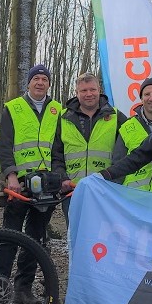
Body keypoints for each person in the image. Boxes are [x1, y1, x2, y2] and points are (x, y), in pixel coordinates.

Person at [0, 64, 63, 304]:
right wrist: (11, 175)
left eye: (44, 79)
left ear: (49, 84)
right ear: (29, 83)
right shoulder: (13, 108)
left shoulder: (57, 110)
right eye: (36, 79)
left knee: (36, 239)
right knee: (9, 236)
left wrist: (57, 176)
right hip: (19, 185)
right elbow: (4, 145)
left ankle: (24, 289)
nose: (40, 83)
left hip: (46, 185)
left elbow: (58, 147)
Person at [54, 72, 127, 218]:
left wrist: (114, 183)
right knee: (75, 238)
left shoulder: (116, 117)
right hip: (72, 191)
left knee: (104, 238)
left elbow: (126, 156)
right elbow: (55, 154)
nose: (89, 94)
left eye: (92, 90)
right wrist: (63, 178)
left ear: (99, 90)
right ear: (76, 93)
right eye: (84, 90)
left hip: (106, 192)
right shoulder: (63, 118)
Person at [112, 77, 152, 189]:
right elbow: (118, 165)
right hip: (133, 198)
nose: (151, 98)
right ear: (141, 98)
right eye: (146, 94)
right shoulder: (127, 127)